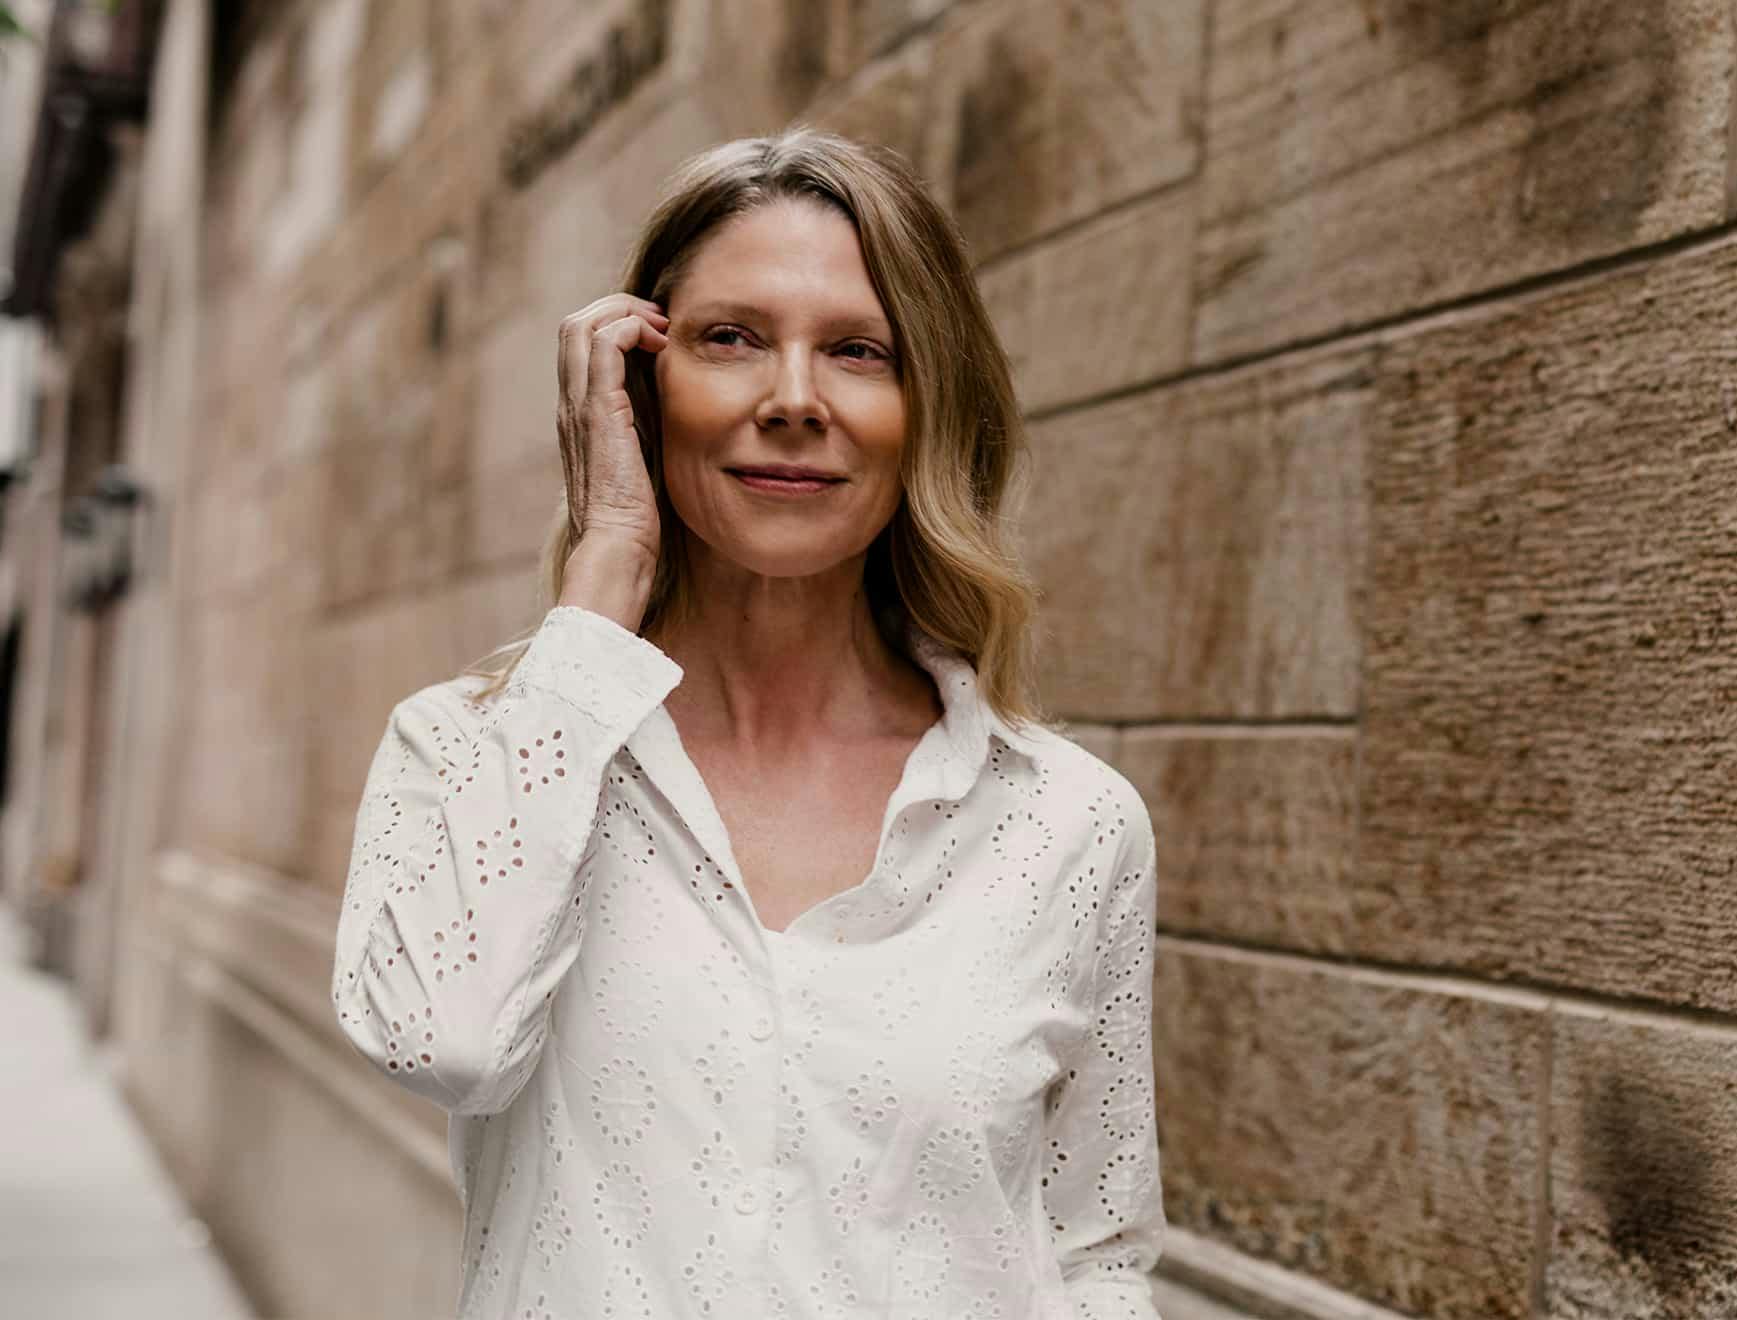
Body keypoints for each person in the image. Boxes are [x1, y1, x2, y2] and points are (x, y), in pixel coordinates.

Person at [330, 125, 1165, 1319]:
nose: (792, 401)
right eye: (731, 339)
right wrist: (607, 562)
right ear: (635, 383)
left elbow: (1097, 1253)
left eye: (860, 352)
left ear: (931, 406)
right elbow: (442, 1043)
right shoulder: (476, 752)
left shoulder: (1067, 825)